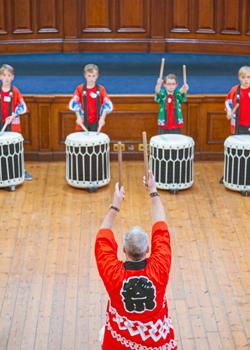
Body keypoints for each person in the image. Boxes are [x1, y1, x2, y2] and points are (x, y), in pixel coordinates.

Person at [95, 172, 177, 350]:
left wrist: (115, 206)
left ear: (123, 250)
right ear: (148, 249)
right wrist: (153, 191)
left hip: (119, 343)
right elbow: (161, 227)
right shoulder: (160, 267)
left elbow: (102, 238)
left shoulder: (113, 273)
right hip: (157, 342)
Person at [0, 64, 32, 181]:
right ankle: (3, 172)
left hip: (13, 125)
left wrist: (13, 114)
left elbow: (23, 107)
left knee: (15, 149)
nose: (7, 78)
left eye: (9, 75)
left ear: (13, 77)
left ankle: (20, 170)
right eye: (4, 75)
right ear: (0, 77)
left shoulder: (15, 91)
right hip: (1, 125)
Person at [69, 64, 113, 132]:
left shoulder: (101, 89)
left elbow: (106, 105)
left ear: (97, 76)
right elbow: (76, 104)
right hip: (83, 122)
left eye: (93, 76)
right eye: (89, 76)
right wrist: (78, 117)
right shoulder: (79, 89)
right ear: (85, 76)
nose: (91, 78)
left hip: (97, 123)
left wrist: (102, 119)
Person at [225, 66, 250, 135]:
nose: (246, 80)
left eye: (248, 77)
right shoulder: (234, 90)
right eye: (243, 77)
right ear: (239, 78)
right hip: (237, 125)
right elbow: (228, 103)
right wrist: (229, 112)